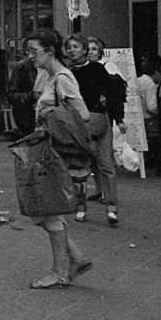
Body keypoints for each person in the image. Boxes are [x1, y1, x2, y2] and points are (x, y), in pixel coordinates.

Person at [24, 29, 96, 289]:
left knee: (50, 210)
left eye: (34, 51)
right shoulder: (50, 77)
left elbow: (83, 114)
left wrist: (50, 112)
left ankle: (60, 269)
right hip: (47, 150)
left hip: (56, 152)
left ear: (49, 51)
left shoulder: (63, 78)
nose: (30, 56)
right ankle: (75, 257)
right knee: (42, 211)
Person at [63, 34, 123, 226]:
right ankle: (104, 208)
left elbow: (111, 93)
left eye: (76, 46)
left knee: (86, 164)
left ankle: (97, 208)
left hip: (92, 119)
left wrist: (118, 118)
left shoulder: (93, 69)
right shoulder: (67, 73)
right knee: (97, 164)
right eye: (69, 47)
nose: (72, 50)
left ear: (84, 50)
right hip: (90, 119)